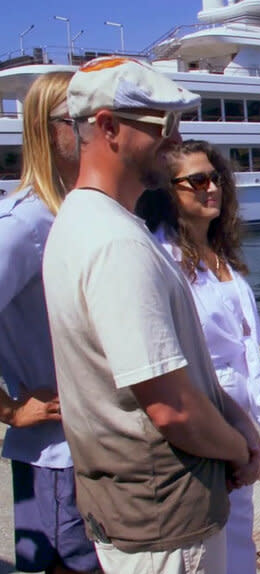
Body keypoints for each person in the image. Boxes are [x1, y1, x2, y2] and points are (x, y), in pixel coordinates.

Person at [42, 57, 260, 574]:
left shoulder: (86, 222)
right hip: (165, 522)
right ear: (107, 127)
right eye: (162, 125)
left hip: (144, 512)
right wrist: (239, 449)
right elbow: (171, 410)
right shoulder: (117, 243)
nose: (175, 138)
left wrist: (234, 419)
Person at [135, 139, 260, 574]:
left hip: (237, 408)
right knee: (214, 532)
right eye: (197, 181)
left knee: (238, 526)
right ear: (169, 191)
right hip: (204, 409)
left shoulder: (219, 253)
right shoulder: (164, 258)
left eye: (215, 178)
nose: (211, 187)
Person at [0, 72, 100, 574]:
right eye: (78, 121)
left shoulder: (77, 214)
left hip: (96, 445)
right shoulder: (24, 223)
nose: (94, 134)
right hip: (55, 454)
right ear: (47, 129)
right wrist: (10, 409)